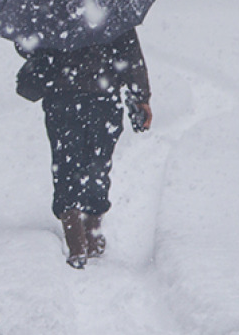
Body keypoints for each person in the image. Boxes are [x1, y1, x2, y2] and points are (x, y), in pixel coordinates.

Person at [15, 28, 152, 269]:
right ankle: (89, 231)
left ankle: (77, 235)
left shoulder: (47, 5)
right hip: (99, 97)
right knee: (96, 163)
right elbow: (130, 56)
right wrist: (139, 96)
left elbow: (26, 46)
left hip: (64, 97)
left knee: (68, 162)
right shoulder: (110, 6)